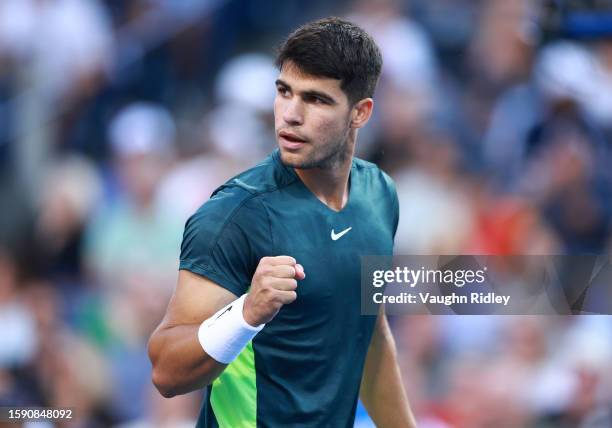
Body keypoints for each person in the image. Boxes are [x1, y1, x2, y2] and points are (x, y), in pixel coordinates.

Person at [148, 17, 417, 427]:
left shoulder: (379, 194)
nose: (290, 115)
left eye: (316, 100)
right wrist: (246, 314)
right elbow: (166, 371)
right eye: (284, 92)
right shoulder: (233, 216)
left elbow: (370, 335)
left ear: (360, 113)